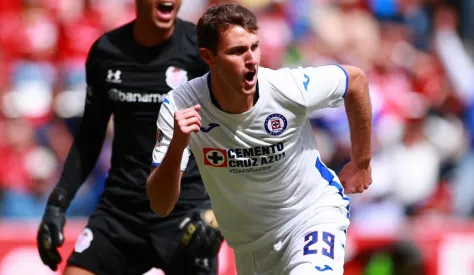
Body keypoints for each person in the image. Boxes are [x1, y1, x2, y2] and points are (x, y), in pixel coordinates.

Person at [147, 3, 372, 275]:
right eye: (237, 51)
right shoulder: (180, 106)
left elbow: (355, 81)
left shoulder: (287, 88)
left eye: (254, 46)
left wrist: (361, 162)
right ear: (209, 57)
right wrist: (177, 146)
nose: (251, 59)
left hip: (311, 217)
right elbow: (160, 205)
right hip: (251, 247)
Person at [37, 1, 223, 274]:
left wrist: (215, 207)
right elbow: (90, 137)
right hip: (121, 211)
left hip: (187, 210)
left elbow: (232, 131)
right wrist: (57, 204)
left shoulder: (202, 50)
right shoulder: (107, 52)